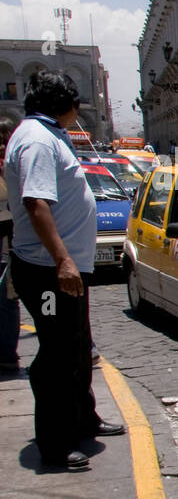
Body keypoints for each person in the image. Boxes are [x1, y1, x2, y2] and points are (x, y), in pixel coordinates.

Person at [2, 70, 123, 469]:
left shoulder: (47, 134)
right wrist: (63, 260)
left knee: (75, 347)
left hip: (65, 269)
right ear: (65, 105)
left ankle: (82, 420)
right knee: (55, 355)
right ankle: (54, 444)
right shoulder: (37, 140)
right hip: (49, 272)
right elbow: (37, 203)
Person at [0, 117, 19, 373]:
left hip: (16, 245)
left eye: (7, 141)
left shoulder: (15, 169)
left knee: (8, 298)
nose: (3, 147)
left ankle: (7, 353)